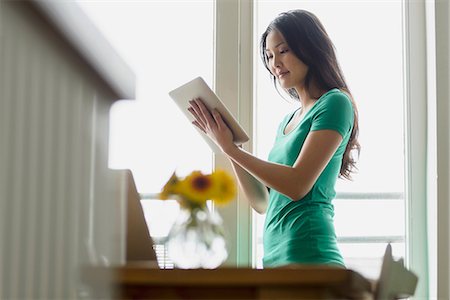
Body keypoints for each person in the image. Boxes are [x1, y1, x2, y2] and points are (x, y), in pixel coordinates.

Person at [188, 9, 360, 268]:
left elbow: (297, 185)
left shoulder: (335, 102)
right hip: (275, 258)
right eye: (269, 56)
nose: (275, 63)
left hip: (310, 254)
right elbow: (262, 202)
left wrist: (232, 151)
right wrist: (229, 147)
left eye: (283, 51)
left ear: (309, 47)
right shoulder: (287, 122)